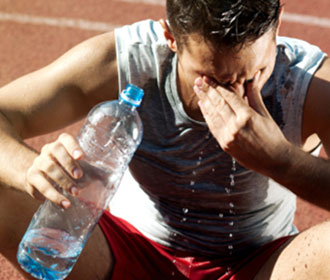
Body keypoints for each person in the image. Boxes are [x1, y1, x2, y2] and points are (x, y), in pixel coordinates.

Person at [0, 0, 330, 279]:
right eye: (211, 77)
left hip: (259, 265)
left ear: (277, 28)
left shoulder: (306, 83)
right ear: (171, 36)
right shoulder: (128, 60)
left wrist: (280, 161)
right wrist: (31, 168)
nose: (235, 91)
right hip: (130, 251)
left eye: (254, 74)